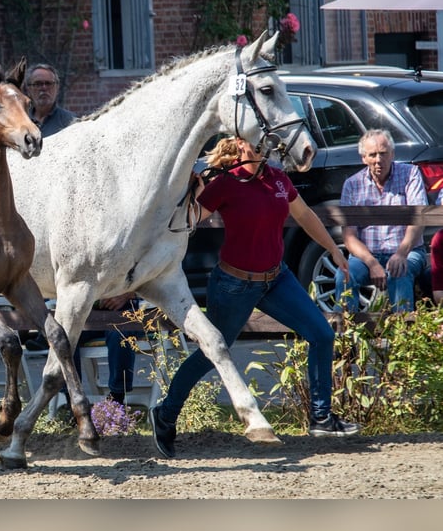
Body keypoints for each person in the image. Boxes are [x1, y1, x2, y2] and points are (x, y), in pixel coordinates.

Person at [149, 135, 360, 459]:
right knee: (211, 352)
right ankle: (165, 414)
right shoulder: (225, 183)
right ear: (240, 144)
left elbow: (304, 216)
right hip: (234, 284)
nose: (263, 145)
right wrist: (190, 191)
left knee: (321, 334)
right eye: (255, 141)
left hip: (277, 279)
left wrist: (334, 249)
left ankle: (321, 416)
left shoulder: (278, 179)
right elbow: (187, 222)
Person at [334, 129, 428, 313]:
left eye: (383, 153)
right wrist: (372, 263)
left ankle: (402, 336)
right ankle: (346, 335)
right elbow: (349, 236)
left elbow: (418, 219)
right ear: (363, 158)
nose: (378, 159)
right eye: (372, 155)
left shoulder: (411, 174)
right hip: (367, 255)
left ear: (392, 154)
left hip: (406, 250)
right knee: (344, 275)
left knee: (399, 270)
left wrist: (401, 253)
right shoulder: (352, 184)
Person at [24, 63, 76, 136]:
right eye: (38, 84)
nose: (44, 88)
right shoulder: (20, 121)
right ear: (28, 90)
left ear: (57, 88)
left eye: (48, 83)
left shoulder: (70, 121)